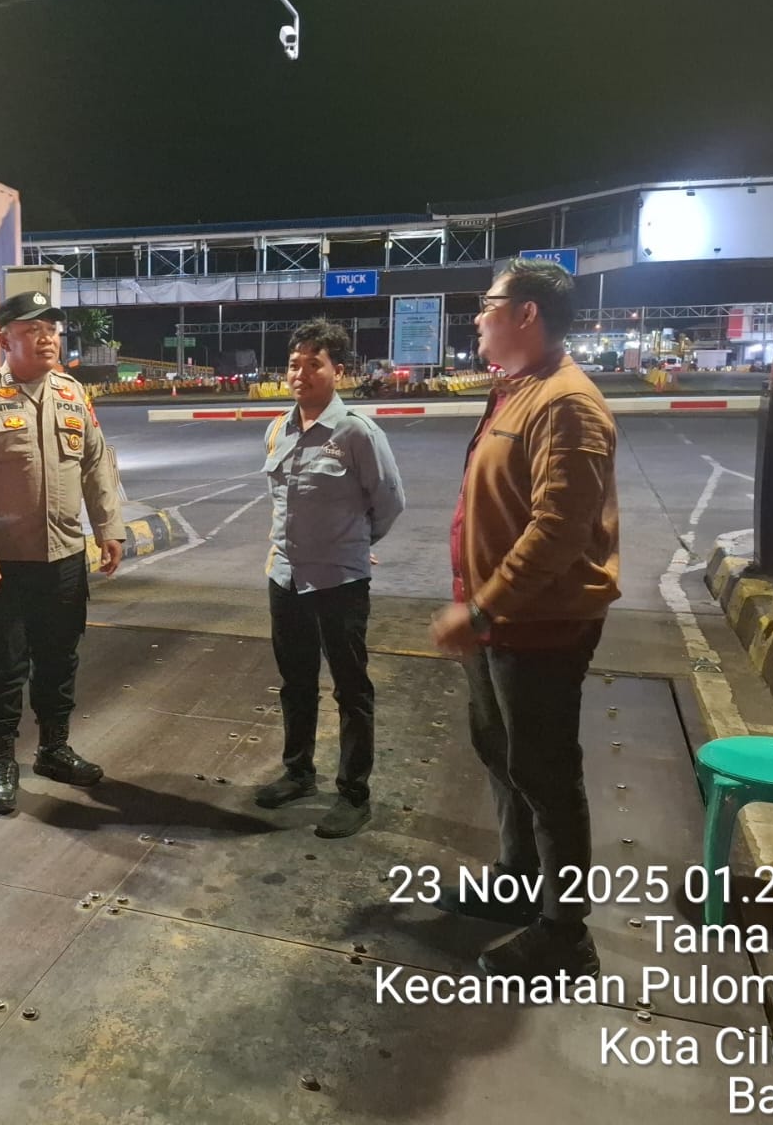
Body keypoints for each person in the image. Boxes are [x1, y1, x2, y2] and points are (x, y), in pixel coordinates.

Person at [430, 257, 620, 979]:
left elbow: (557, 532)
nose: (478, 316)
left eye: (488, 303)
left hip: (537, 623)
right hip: (497, 621)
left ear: (526, 314)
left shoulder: (565, 403)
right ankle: (517, 880)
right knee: (500, 751)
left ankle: (565, 935)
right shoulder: (515, 391)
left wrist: (484, 605)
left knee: (545, 772)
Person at [0, 290, 126, 815]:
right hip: (3, 562)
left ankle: (53, 749)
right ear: (5, 339)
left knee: (59, 660)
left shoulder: (72, 393)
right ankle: (2, 763)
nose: (47, 339)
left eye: (51, 330)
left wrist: (108, 527)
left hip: (65, 558)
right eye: (32, 331)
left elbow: (95, 463)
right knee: (2, 669)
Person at [256, 318, 405, 838]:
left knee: (351, 688)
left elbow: (389, 502)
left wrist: (356, 545)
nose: (300, 374)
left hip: (339, 583)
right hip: (285, 578)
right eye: (293, 364)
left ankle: (353, 793)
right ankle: (298, 772)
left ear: (338, 371)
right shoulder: (278, 428)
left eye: (313, 364)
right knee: (295, 683)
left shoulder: (358, 433)